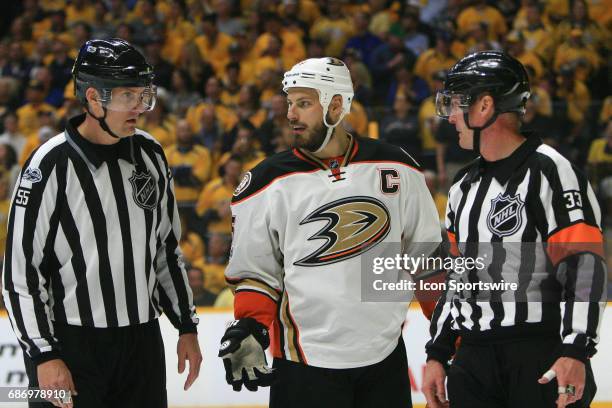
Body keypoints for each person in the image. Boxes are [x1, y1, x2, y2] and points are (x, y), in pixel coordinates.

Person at [217, 57, 442, 407]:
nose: (291, 114)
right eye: (290, 103)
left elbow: (427, 258)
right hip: (303, 364)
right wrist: (251, 327)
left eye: (303, 104)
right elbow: (256, 274)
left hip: (384, 358)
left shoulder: (397, 166)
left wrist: (450, 338)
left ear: (336, 105)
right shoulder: (264, 183)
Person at [1, 38, 202, 408]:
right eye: (129, 96)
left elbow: (166, 250)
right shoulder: (48, 166)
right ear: (94, 99)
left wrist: (186, 326)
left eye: (144, 95)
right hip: (70, 346)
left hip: (141, 343)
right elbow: (21, 274)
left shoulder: (151, 154)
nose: (140, 107)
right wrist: (44, 354)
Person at [422, 51, 606, 408]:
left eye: (458, 103)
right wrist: (437, 354)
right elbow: (456, 279)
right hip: (473, 361)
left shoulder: (551, 172)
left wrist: (576, 349)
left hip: (539, 357)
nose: (451, 117)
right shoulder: (462, 186)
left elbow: (584, 265)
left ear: (485, 106)